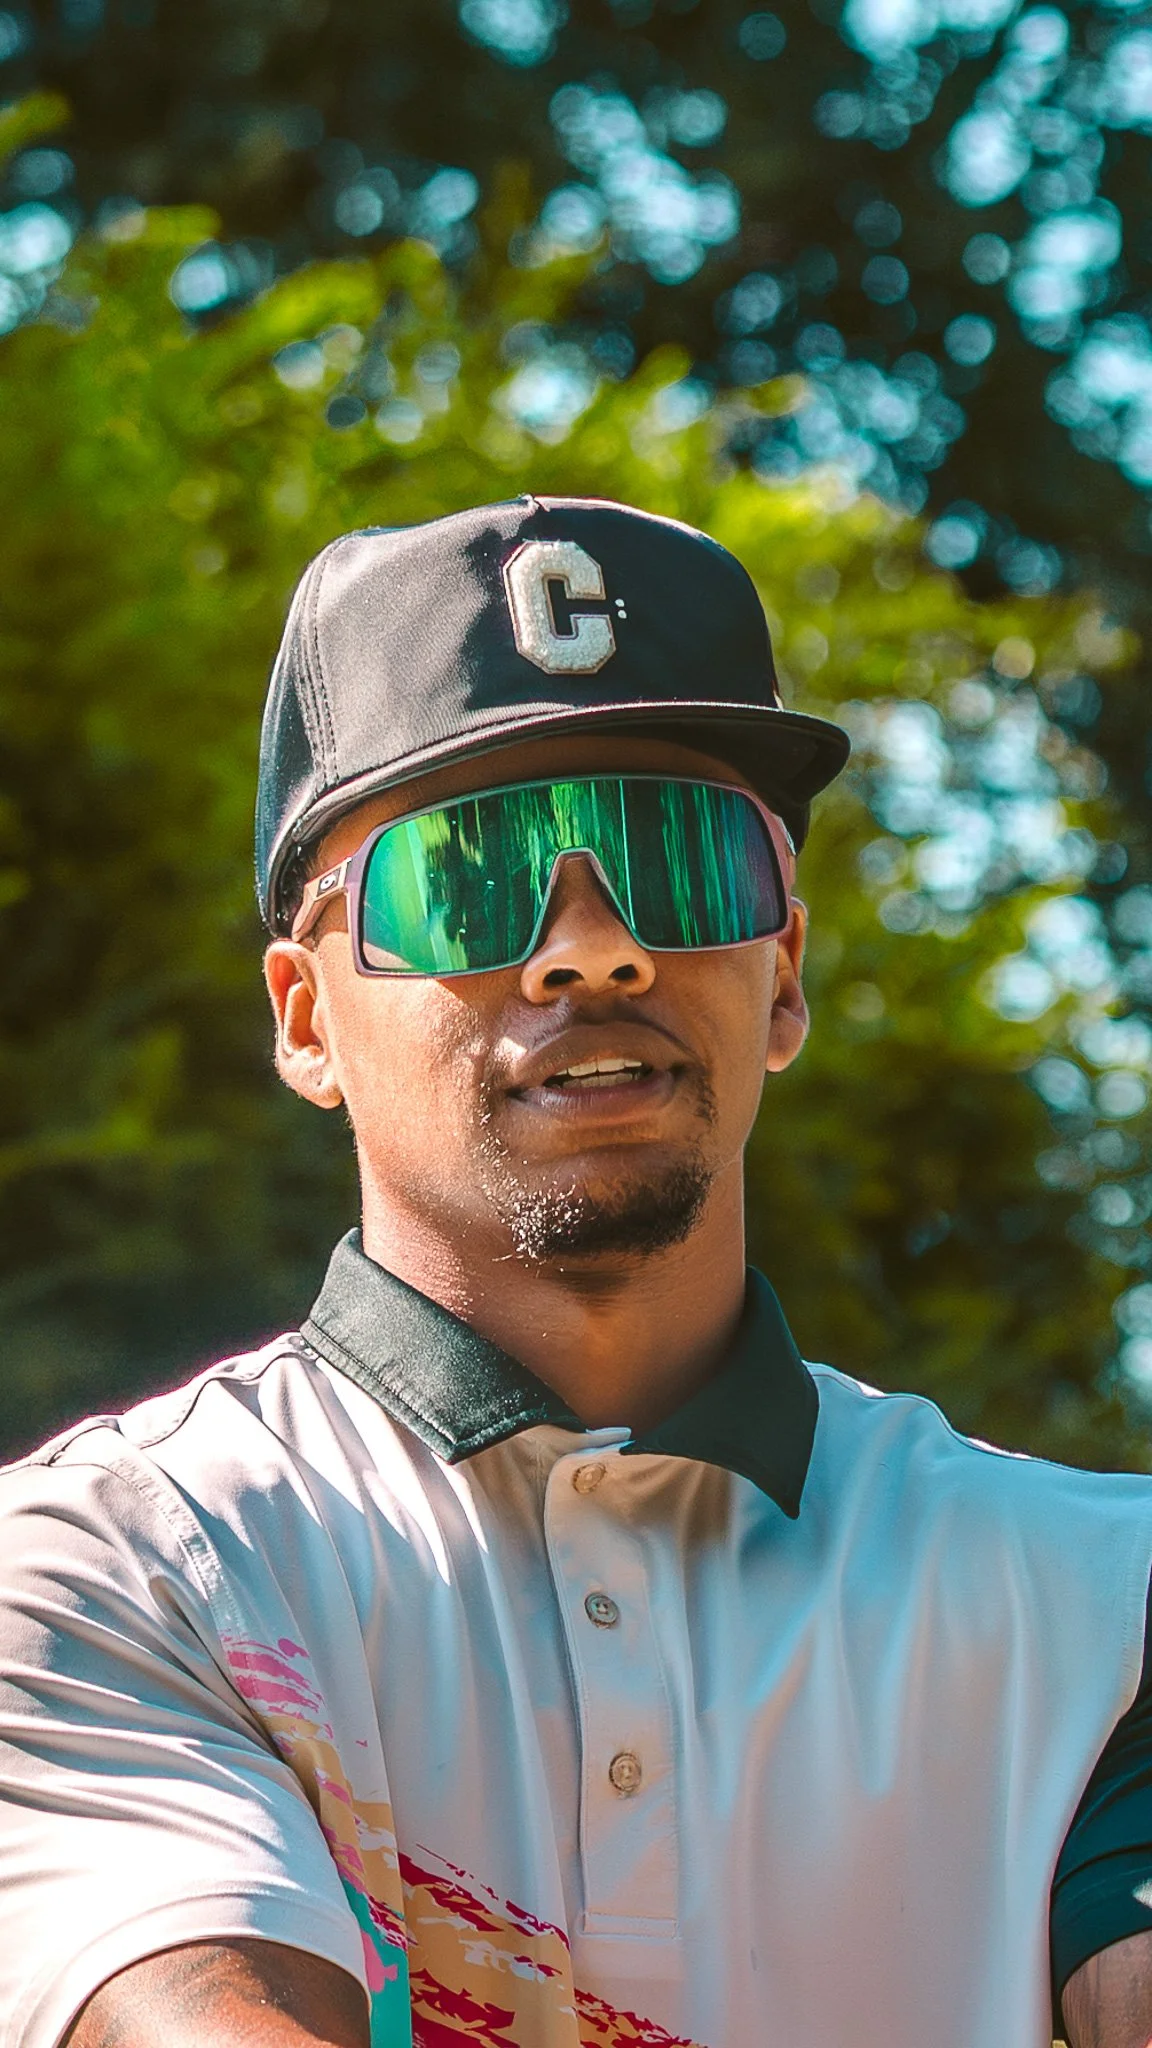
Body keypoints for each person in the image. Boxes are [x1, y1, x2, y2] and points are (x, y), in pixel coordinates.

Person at [0, 496, 1151, 2048]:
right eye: (469, 876)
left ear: (786, 974)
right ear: (304, 1017)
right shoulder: (120, 1573)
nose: (591, 951)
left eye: (677, 859)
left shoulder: (1107, 1606)